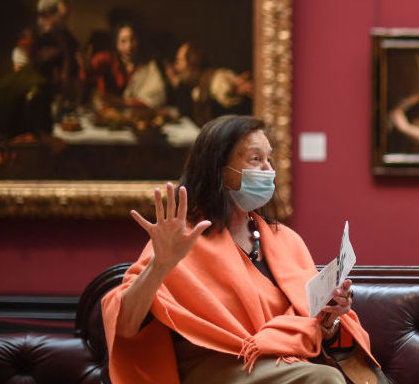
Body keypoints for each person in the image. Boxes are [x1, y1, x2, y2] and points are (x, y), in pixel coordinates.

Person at [102, 115, 381, 384]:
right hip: (213, 367)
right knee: (324, 379)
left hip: (287, 363)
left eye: (269, 159)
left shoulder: (286, 239)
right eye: (256, 159)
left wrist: (331, 317)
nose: (269, 170)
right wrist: (160, 265)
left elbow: (313, 328)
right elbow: (126, 325)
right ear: (218, 169)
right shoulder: (182, 238)